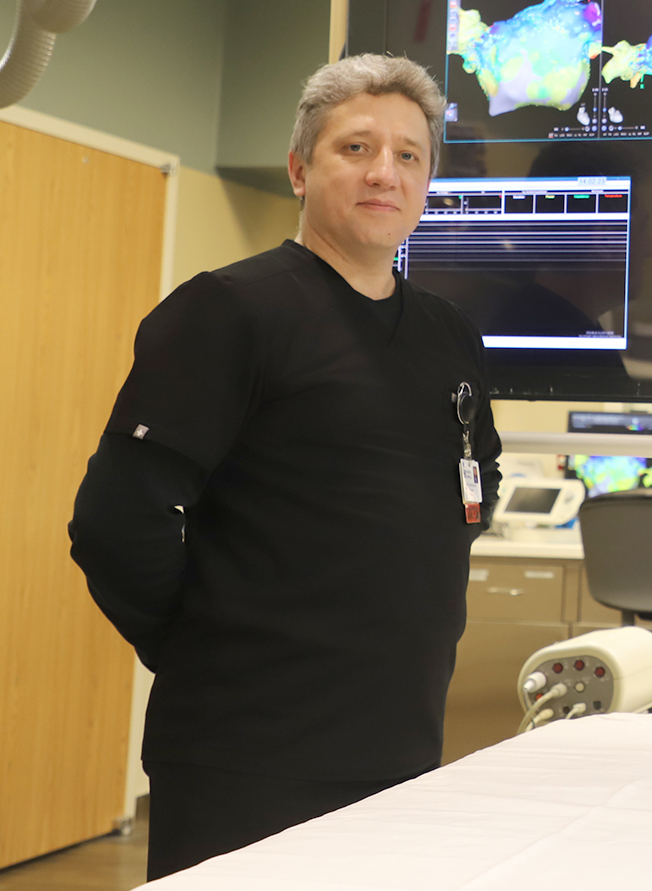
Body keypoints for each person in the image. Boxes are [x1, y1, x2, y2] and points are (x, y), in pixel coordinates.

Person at [69, 55, 501, 879]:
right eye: (357, 149)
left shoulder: (449, 336)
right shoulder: (229, 312)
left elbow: (472, 489)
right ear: (301, 170)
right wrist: (203, 649)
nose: (386, 172)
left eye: (410, 155)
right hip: (249, 752)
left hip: (400, 743)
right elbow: (117, 522)